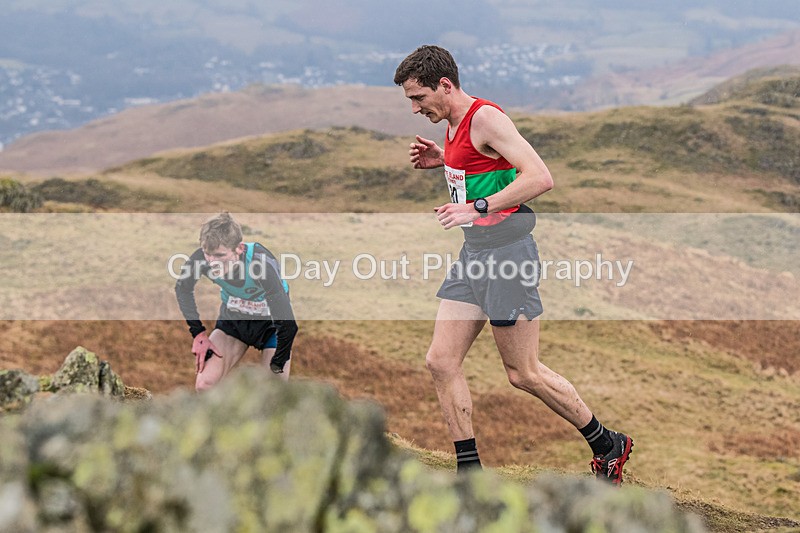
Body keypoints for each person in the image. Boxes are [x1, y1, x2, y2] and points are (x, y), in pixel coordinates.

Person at [394, 45, 633, 483]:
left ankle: (607, 443)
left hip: (508, 255)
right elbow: (486, 162)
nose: (414, 108)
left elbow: (539, 176)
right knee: (440, 361)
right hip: (474, 256)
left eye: (419, 97)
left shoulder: (485, 118)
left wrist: (476, 207)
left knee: (523, 373)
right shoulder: (451, 125)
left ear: (445, 85)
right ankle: (470, 474)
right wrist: (443, 162)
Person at [175, 212, 298, 390]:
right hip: (234, 321)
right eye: (208, 254)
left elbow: (289, 326)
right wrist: (198, 334)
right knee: (204, 385)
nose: (212, 262)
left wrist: (277, 364)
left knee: (272, 395)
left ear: (239, 249)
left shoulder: (260, 265)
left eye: (220, 255)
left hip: (271, 327)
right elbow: (182, 289)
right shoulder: (201, 259)